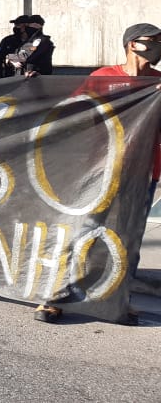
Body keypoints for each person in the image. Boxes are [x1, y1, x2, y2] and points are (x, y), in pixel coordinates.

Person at [32, 23, 161, 326]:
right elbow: (72, 110)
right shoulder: (103, 78)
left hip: (143, 173)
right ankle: (55, 297)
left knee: (129, 238)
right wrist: (37, 88)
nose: (158, 45)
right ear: (133, 44)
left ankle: (117, 301)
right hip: (102, 169)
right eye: (153, 40)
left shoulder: (159, 81)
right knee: (82, 232)